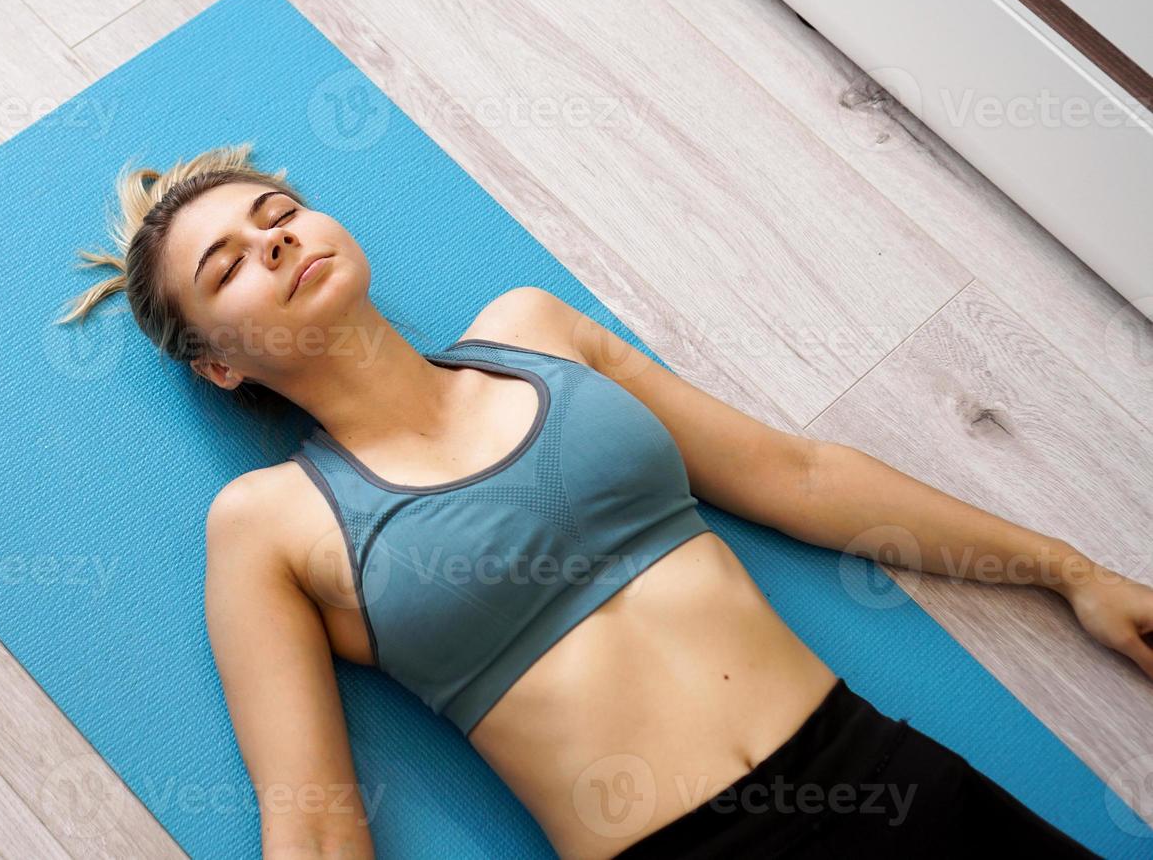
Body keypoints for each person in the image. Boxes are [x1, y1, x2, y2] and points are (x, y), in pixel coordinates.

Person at [59, 142, 1150, 859]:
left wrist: (1072, 572)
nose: (278, 238)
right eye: (230, 263)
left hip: (882, 776)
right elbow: (314, 823)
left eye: (280, 209)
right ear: (216, 364)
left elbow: (796, 475)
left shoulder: (536, 331)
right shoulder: (269, 523)